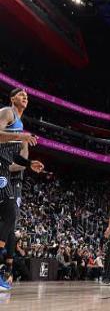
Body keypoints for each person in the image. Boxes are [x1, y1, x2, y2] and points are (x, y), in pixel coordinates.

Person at [0, 88, 43, 291]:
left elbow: (12, 155)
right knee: (10, 213)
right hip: (1, 169)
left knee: (9, 216)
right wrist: (21, 137)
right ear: (12, 98)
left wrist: (29, 164)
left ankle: (4, 270)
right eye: (20, 94)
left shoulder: (20, 124)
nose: (25, 96)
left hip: (5, 169)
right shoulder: (7, 112)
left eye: (27, 95)